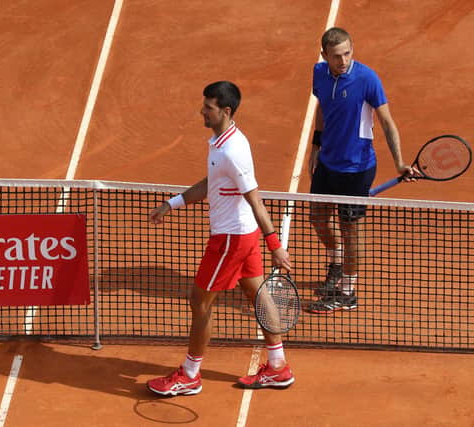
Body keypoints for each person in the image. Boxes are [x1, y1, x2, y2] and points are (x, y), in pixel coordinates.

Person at [146, 81, 293, 396]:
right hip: (243, 235)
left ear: (225, 111)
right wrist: (171, 204)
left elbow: (255, 200)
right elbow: (210, 183)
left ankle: (189, 374)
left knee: (199, 301)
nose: (202, 110)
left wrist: (276, 246)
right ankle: (278, 366)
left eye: (208, 107)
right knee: (257, 293)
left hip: (231, 240)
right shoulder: (220, 142)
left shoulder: (233, 151)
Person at [307, 27, 418, 314]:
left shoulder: (367, 78)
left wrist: (400, 163)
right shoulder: (319, 74)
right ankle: (336, 264)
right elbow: (322, 108)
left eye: (347, 53)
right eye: (336, 56)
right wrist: (315, 148)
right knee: (317, 218)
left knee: (350, 230)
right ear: (325, 56)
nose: (343, 60)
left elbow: (387, 122)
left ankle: (347, 291)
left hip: (357, 168)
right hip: (328, 162)